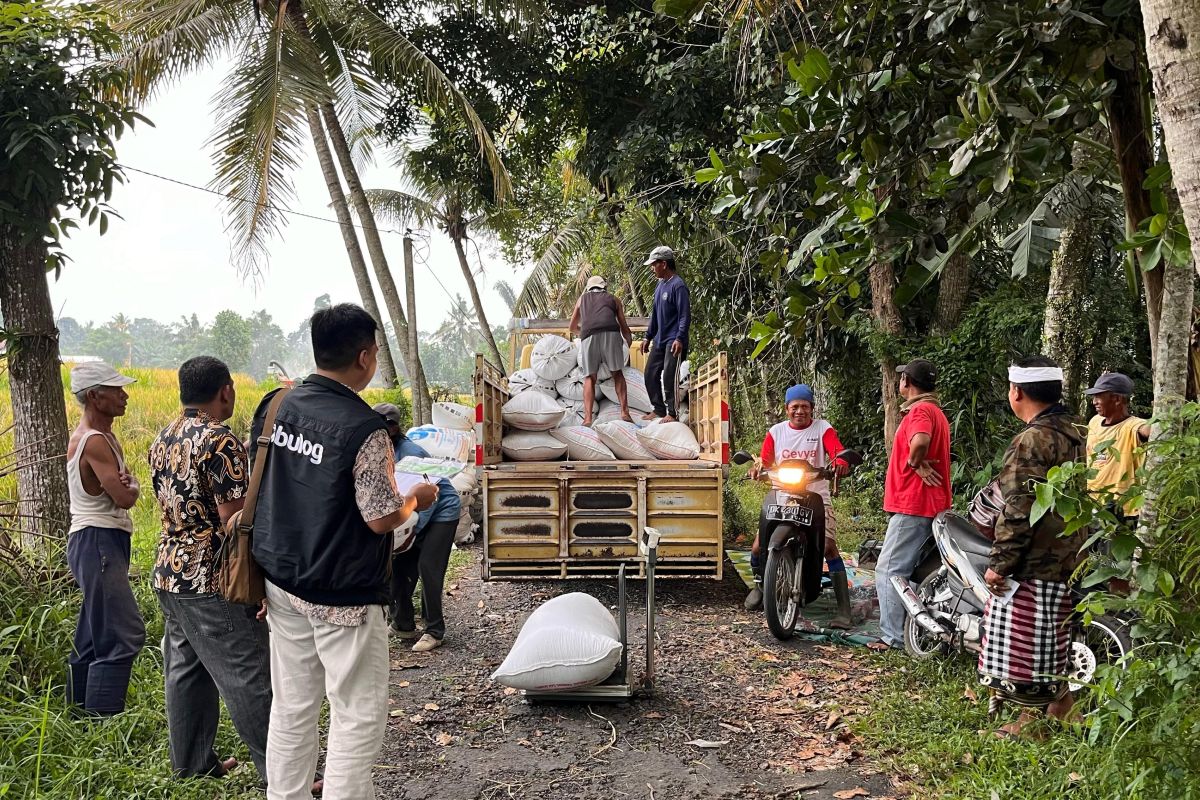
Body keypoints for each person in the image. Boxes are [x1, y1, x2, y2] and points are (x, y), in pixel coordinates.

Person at [249, 304, 437, 800]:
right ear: (364, 356)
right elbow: (380, 517)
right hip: (341, 593)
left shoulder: (276, 406)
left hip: (282, 580)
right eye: (375, 352)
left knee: (292, 705)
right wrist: (416, 499)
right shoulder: (364, 429)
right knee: (355, 712)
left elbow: (265, 482)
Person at [148, 356, 270, 781]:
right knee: (247, 672)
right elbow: (235, 523)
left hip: (169, 571)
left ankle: (192, 764)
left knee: (185, 670)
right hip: (211, 576)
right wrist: (256, 585)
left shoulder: (163, 437)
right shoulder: (219, 440)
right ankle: (283, 771)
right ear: (225, 390)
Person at [979, 356, 1086, 737]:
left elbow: (1019, 508)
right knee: (1055, 635)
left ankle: (1030, 721)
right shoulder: (1074, 432)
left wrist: (1000, 563)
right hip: (1070, 552)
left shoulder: (1030, 441)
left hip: (1035, 560)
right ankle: (1064, 710)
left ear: (1017, 392)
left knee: (1027, 641)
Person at [65, 361, 146, 717]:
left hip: (99, 542)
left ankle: (79, 714)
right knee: (123, 634)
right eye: (116, 390)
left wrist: (126, 485)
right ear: (95, 397)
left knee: (92, 633)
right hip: (97, 541)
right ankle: (103, 720)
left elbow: (119, 489)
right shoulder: (94, 441)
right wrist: (135, 486)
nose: (124, 396)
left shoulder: (103, 437)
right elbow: (125, 497)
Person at [744, 385, 853, 627]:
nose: (800, 411)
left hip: (815, 494)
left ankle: (844, 609)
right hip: (783, 492)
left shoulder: (822, 428)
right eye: (795, 407)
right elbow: (765, 460)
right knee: (757, 546)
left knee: (829, 547)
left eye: (805, 406)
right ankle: (760, 585)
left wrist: (841, 461)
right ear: (786, 409)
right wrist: (756, 468)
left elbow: (836, 450)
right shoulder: (776, 431)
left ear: (812, 409)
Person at [872, 359, 952, 651]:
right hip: (929, 503)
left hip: (913, 504)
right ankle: (913, 627)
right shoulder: (935, 410)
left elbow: (919, 441)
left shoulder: (920, 410)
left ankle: (892, 636)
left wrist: (913, 461)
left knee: (889, 569)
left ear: (906, 382)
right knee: (916, 570)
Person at [374, 402, 463, 653]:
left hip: (440, 512)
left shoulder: (411, 453)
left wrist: (411, 533)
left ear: (391, 429)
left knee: (428, 567)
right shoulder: (382, 450)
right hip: (414, 513)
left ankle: (435, 630)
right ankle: (403, 624)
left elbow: (429, 496)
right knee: (399, 567)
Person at [569, 275, 635, 425]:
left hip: (588, 336)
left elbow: (572, 328)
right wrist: (627, 344)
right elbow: (624, 327)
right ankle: (624, 413)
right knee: (617, 374)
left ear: (588, 288)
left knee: (589, 378)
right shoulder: (613, 299)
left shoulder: (581, 300)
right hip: (611, 334)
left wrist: (585, 332)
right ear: (604, 287)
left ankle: (587, 419)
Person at [1083, 372, 1150, 519]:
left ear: (1117, 399)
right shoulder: (1094, 421)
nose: (1094, 402)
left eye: (1099, 396)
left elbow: (1149, 431)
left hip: (1123, 511)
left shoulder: (1133, 426)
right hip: (1094, 506)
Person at [640, 245, 691, 423]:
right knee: (650, 374)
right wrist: (648, 336)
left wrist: (680, 338)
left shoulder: (678, 286)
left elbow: (684, 315)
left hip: (674, 340)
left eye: (654, 264)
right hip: (660, 340)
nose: (652, 268)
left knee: (669, 376)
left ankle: (673, 413)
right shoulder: (660, 286)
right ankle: (659, 409)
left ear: (664, 263)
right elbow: (655, 315)